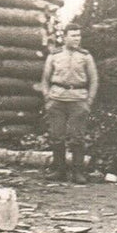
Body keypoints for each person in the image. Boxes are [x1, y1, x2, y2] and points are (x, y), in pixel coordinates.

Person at [39, 24, 98, 183]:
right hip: (57, 99)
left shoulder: (85, 56)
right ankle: (59, 171)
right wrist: (48, 98)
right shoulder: (54, 55)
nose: (77, 39)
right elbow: (45, 79)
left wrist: (89, 101)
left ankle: (78, 172)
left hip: (78, 100)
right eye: (73, 35)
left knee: (77, 137)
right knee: (56, 137)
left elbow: (94, 80)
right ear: (64, 37)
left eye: (78, 35)